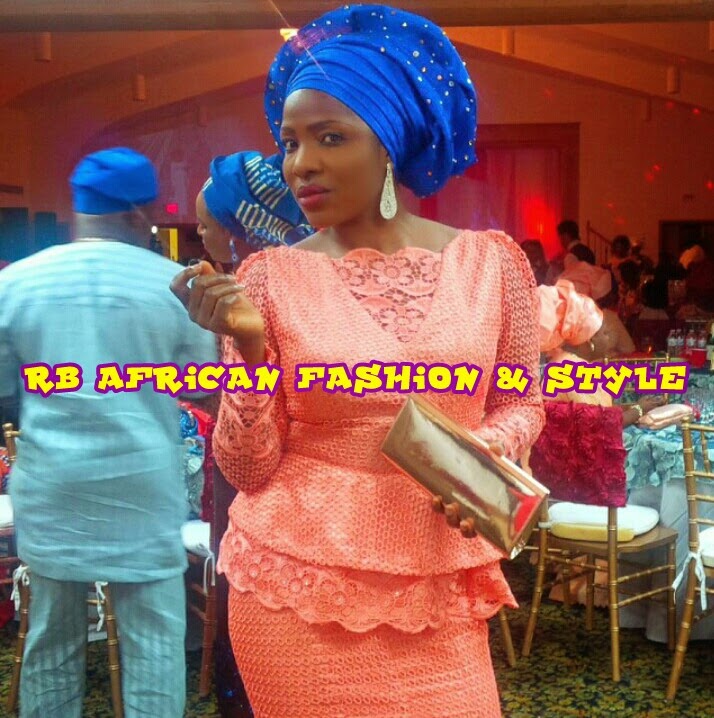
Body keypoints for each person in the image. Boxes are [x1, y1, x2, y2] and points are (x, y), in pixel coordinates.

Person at [171, 6, 544, 717]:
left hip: (437, 575)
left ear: (389, 143)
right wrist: (249, 351)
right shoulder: (268, 278)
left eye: (330, 137)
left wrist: (475, 457)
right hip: (294, 583)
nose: (300, 164)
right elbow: (248, 470)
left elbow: (522, 399)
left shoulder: (492, 264)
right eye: (289, 143)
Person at [0, 148, 217, 717]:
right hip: (142, 483)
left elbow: (3, 387)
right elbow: (203, 383)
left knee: (51, 639)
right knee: (154, 641)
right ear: (137, 212)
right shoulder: (174, 284)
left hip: (52, 483)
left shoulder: (17, 282)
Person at [196, 150, 310, 718]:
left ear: (239, 229)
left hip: (259, 470)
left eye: (206, 225)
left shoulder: (251, 288)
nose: (200, 235)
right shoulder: (300, 276)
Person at [197, 151, 312, 271]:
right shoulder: (296, 267)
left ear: (234, 232)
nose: (198, 231)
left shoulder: (277, 276)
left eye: (204, 225)